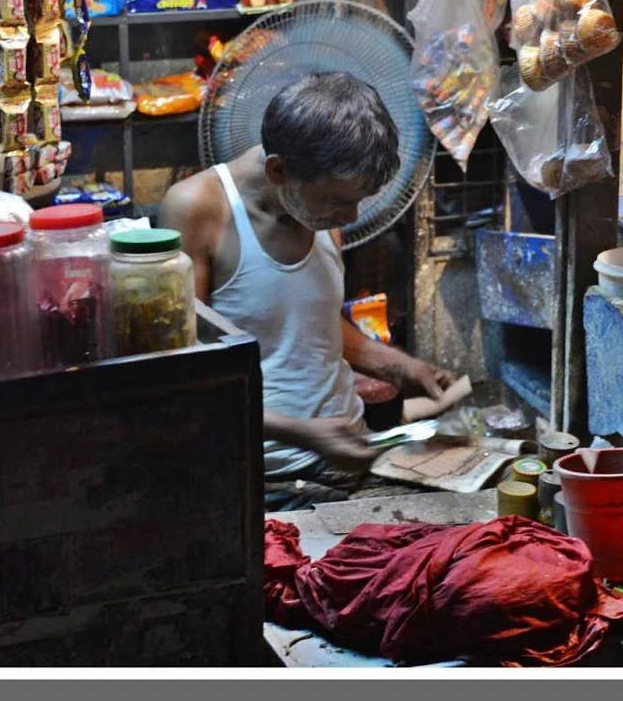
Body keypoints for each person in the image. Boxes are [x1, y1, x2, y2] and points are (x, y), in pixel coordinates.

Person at [159, 71, 461, 511]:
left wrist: (396, 366)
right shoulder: (197, 209)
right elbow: (186, 383)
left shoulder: (318, 209)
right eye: (340, 202)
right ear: (279, 171)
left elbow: (311, 323)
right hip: (259, 477)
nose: (351, 215)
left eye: (357, 201)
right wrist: (301, 432)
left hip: (345, 461)